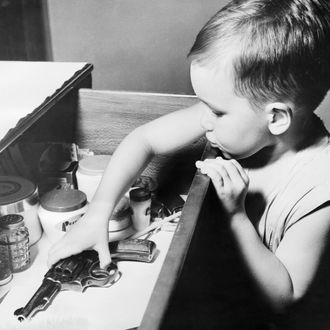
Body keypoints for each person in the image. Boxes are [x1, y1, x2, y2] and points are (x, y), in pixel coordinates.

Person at [48, 0, 330, 313]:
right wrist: (97, 213)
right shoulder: (237, 118)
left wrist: (236, 215)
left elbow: (284, 298)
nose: (203, 119)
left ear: (276, 118)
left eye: (217, 111)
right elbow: (143, 139)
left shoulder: (320, 187)